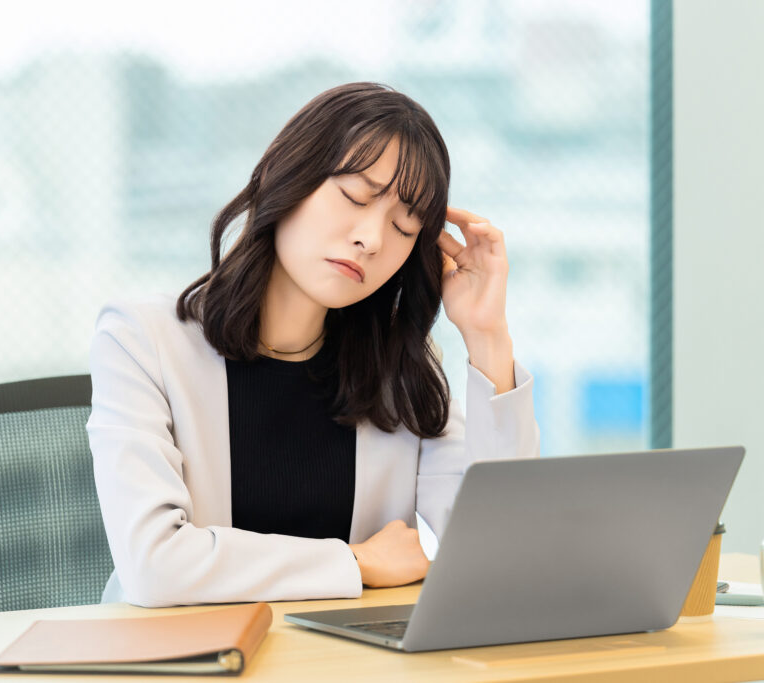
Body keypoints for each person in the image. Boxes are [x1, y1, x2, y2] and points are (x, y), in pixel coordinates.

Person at [87, 82, 539, 608]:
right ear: (290, 176)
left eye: (403, 225)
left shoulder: (398, 368)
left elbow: (505, 552)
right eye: (354, 196)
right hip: (187, 660)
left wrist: (487, 336)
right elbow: (153, 566)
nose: (372, 238)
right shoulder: (141, 339)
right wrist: (356, 562)